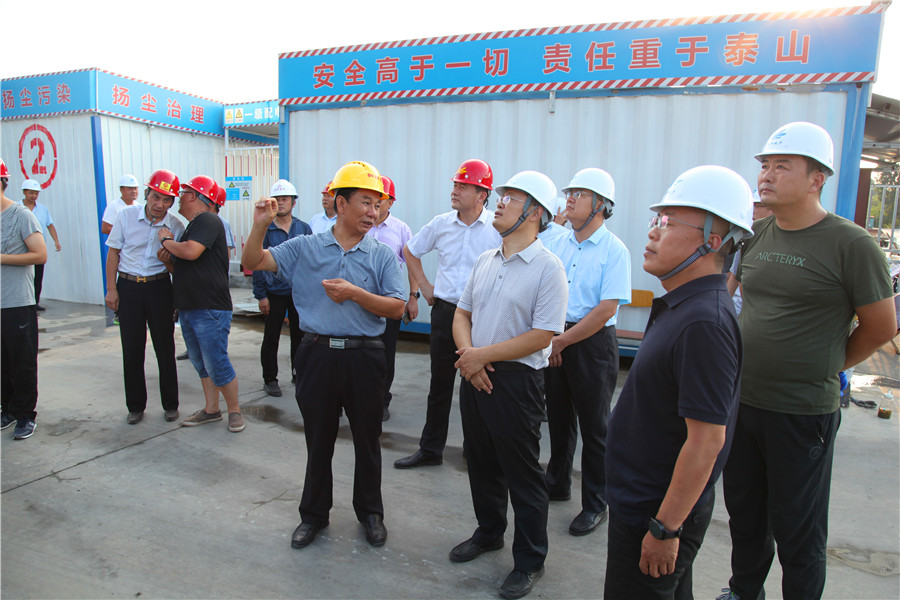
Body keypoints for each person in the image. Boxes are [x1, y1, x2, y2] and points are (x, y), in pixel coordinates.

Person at [719, 122, 896, 600]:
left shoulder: (851, 244)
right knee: (745, 514)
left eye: (782, 166)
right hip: (743, 403)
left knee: (797, 526)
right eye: (765, 166)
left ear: (817, 179)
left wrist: (827, 363)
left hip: (802, 413)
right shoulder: (756, 235)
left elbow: (882, 327)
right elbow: (728, 300)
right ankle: (743, 590)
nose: (766, 175)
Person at [604, 165, 753, 599]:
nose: (653, 232)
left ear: (712, 241)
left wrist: (665, 529)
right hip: (646, 504)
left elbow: (706, 442)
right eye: (657, 219)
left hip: (657, 513)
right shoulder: (685, 307)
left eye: (668, 223)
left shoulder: (704, 322)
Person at [242, 160, 405, 550]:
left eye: (377, 204)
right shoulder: (306, 247)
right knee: (319, 440)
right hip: (316, 355)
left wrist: (355, 294)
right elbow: (253, 262)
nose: (373, 212)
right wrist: (260, 225)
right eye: (365, 202)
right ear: (340, 203)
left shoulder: (382, 255)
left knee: (368, 440)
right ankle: (313, 515)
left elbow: (397, 307)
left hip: (365, 358)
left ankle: (371, 513)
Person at [449, 171, 567, 600]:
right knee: (480, 459)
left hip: (517, 383)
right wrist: (470, 358)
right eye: (501, 197)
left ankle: (531, 559)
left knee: (522, 472)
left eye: (511, 198)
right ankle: (489, 531)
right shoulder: (487, 259)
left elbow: (543, 335)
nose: (499, 203)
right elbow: (462, 313)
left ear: (535, 213)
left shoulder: (548, 268)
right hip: (475, 373)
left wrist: (482, 356)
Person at [394, 159, 503, 469]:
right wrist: (424, 286)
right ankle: (430, 450)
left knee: (479, 385)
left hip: (481, 317)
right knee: (439, 386)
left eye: (463, 186)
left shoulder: (496, 228)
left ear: (482, 194)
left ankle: (476, 451)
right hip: (445, 314)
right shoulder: (441, 224)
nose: (455, 191)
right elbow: (410, 250)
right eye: (455, 185)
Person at [542, 168, 631, 536]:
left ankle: (596, 503)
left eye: (579, 193)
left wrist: (563, 341)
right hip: (557, 337)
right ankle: (557, 482)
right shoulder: (558, 243)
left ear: (601, 204)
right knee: (559, 417)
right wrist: (553, 336)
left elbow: (606, 309)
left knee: (596, 427)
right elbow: (546, 290)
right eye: (570, 192)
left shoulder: (615, 250)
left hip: (592, 344)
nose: (570, 199)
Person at [157, 175, 244, 433]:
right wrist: (168, 260)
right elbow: (184, 268)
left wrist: (166, 240)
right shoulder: (192, 227)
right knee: (201, 362)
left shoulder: (208, 219)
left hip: (209, 307)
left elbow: (191, 252)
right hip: (190, 306)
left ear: (194, 196)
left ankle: (235, 411)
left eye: (183, 193)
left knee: (216, 361)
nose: (179, 198)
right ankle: (212, 409)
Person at [105, 169, 184, 425]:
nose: (159, 204)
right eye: (156, 197)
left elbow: (179, 267)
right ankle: (136, 406)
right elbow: (113, 253)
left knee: (165, 347)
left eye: (166, 200)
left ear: (172, 202)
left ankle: (170, 405)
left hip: (159, 288)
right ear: (147, 194)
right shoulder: (126, 216)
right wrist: (111, 289)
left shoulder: (176, 225)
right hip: (128, 288)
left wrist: (168, 259)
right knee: (132, 348)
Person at [1, 158, 47, 440]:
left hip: (16, 302)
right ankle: (7, 409)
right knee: (2, 362)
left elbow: (40, 254)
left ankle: (25, 415)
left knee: (21, 361)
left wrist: (2, 258)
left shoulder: (20, 215)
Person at [252, 179, 311, 397]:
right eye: (277, 199)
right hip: (273, 293)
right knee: (271, 337)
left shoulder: (303, 228)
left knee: (300, 336)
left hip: (298, 292)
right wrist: (261, 295)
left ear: (293, 202)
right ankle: (270, 379)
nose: (281, 203)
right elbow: (257, 263)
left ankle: (298, 373)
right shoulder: (266, 229)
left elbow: (311, 261)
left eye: (285, 199)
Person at [365, 175, 417, 421]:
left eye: (381, 199)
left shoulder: (401, 229)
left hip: (389, 302)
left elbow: (412, 263)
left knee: (385, 353)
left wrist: (413, 296)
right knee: (359, 352)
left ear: (391, 202)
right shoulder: (360, 225)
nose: (375, 204)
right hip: (360, 300)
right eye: (371, 199)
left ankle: (381, 400)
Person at [726, 191, 772, 316]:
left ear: (770, 209)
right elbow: (734, 277)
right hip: (740, 311)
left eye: (757, 206)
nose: (753, 211)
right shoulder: (748, 236)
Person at [20, 179, 60, 311]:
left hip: (38, 250)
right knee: (23, 277)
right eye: (31, 193)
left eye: (36, 193)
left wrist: (56, 241)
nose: (33, 196)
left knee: (37, 277)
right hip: (21, 250)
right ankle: (23, 303)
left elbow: (50, 225)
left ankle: (34, 303)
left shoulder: (43, 209)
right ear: (24, 192)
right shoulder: (16, 208)